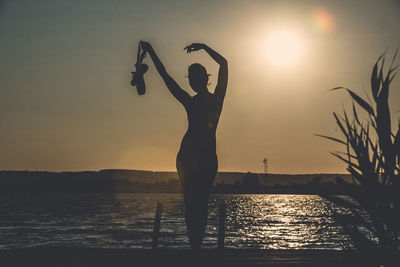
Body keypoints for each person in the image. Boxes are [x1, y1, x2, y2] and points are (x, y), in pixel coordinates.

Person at [140, 41, 228, 249]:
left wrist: (205, 47)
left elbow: (224, 64)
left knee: (200, 202)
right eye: (191, 79)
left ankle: (196, 246)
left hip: (205, 157)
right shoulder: (192, 101)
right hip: (188, 158)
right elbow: (165, 77)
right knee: (191, 203)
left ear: (204, 79)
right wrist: (151, 51)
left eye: (196, 77)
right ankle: (194, 247)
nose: (193, 82)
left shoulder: (215, 100)